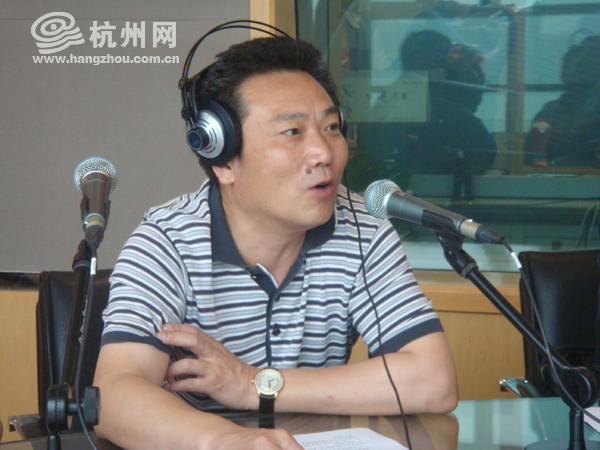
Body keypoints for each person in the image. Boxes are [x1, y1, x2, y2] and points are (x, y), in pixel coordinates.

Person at [93, 33, 458, 450]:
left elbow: (433, 381)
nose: (323, 153)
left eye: (331, 127)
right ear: (223, 158)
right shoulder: (167, 241)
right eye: (292, 132)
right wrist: (229, 442)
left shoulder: (362, 230)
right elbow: (114, 396)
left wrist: (254, 385)